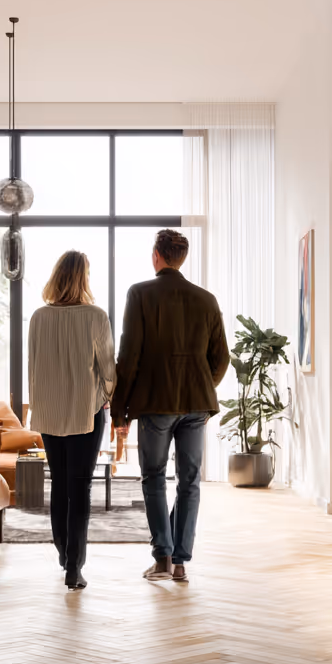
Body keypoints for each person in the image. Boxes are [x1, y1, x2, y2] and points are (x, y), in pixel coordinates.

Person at [112, 229, 229, 582]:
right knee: (189, 481)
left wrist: (121, 412)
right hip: (196, 405)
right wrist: (200, 386)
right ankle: (180, 563)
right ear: (181, 257)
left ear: (156, 256)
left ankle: (162, 557)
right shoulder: (206, 299)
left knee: (153, 478)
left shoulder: (140, 294)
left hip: (155, 404)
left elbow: (129, 356)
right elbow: (221, 358)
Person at [28, 250, 116, 590]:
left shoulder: (38, 317)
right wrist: (108, 397)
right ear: (83, 278)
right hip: (86, 412)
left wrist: (37, 407)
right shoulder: (96, 316)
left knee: (61, 485)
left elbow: (32, 368)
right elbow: (108, 369)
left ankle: (64, 554)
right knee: (80, 488)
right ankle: (74, 568)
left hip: (49, 413)